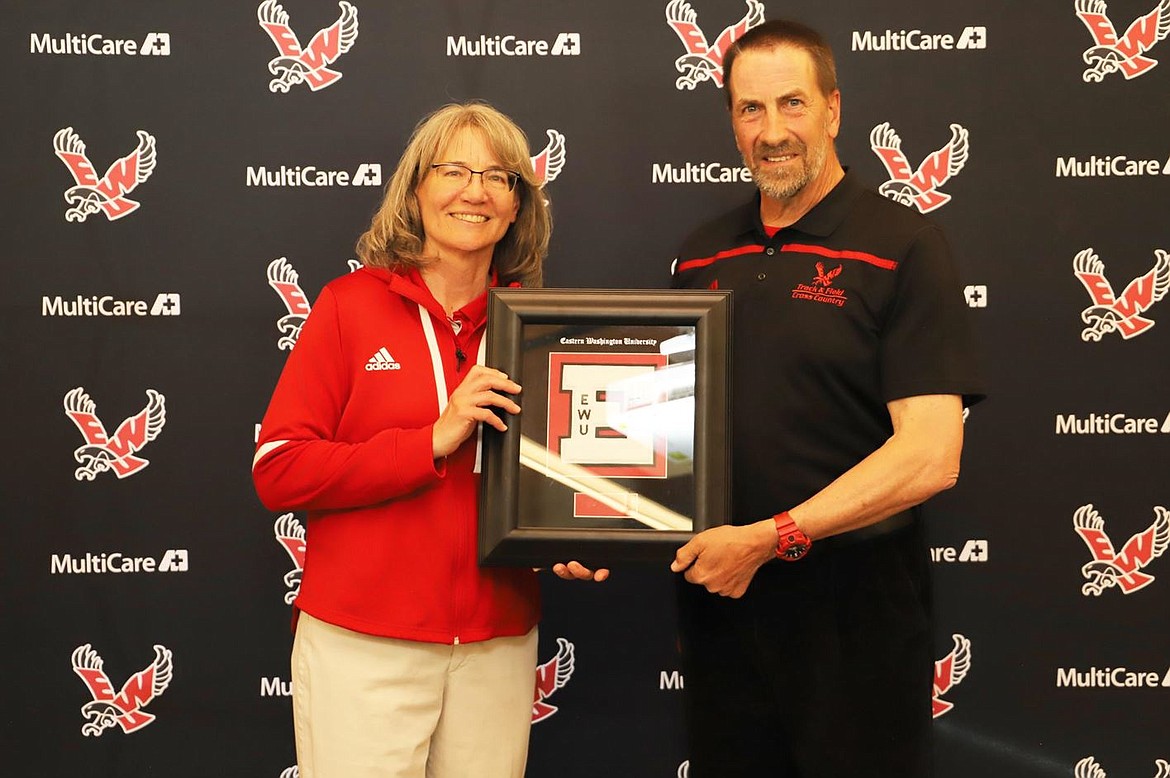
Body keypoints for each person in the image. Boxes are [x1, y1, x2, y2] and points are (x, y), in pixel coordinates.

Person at [667, 20, 985, 778]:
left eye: (792, 104)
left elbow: (931, 456)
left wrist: (772, 537)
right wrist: (593, 520)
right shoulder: (701, 255)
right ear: (732, 121)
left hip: (857, 618)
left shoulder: (904, 245)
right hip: (723, 610)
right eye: (751, 110)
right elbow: (666, 434)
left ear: (834, 111)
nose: (772, 131)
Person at [253, 101, 604, 778]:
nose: (475, 190)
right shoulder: (347, 306)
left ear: (516, 205)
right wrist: (430, 441)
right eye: (454, 171)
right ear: (415, 191)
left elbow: (558, 480)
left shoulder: (538, 329)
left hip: (497, 646)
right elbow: (279, 469)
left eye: (498, 176)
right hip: (364, 644)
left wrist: (573, 537)